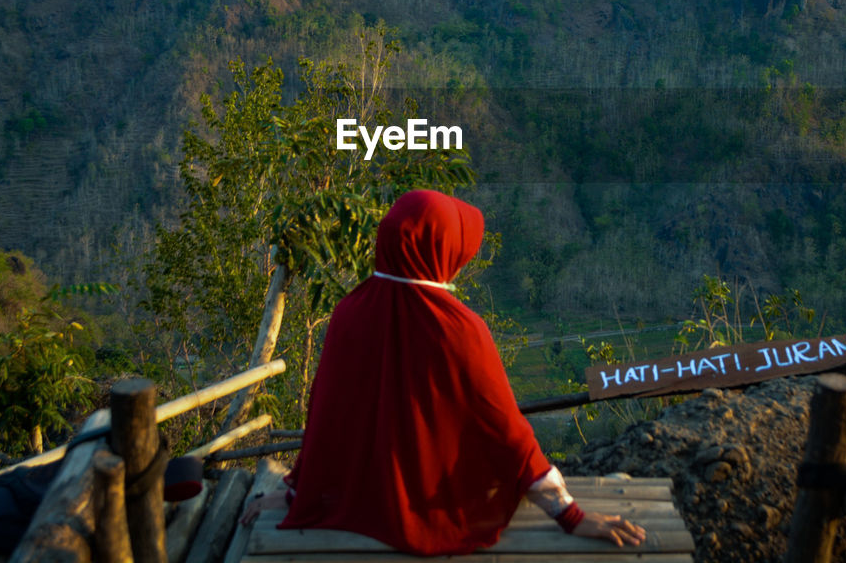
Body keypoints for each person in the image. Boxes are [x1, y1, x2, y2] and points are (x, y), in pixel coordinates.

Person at [240, 189, 645, 555]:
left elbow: (329, 420)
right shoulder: (460, 330)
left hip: (365, 497)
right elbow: (508, 435)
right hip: (435, 505)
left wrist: (299, 493)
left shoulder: (350, 311)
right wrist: (569, 515)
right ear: (439, 250)